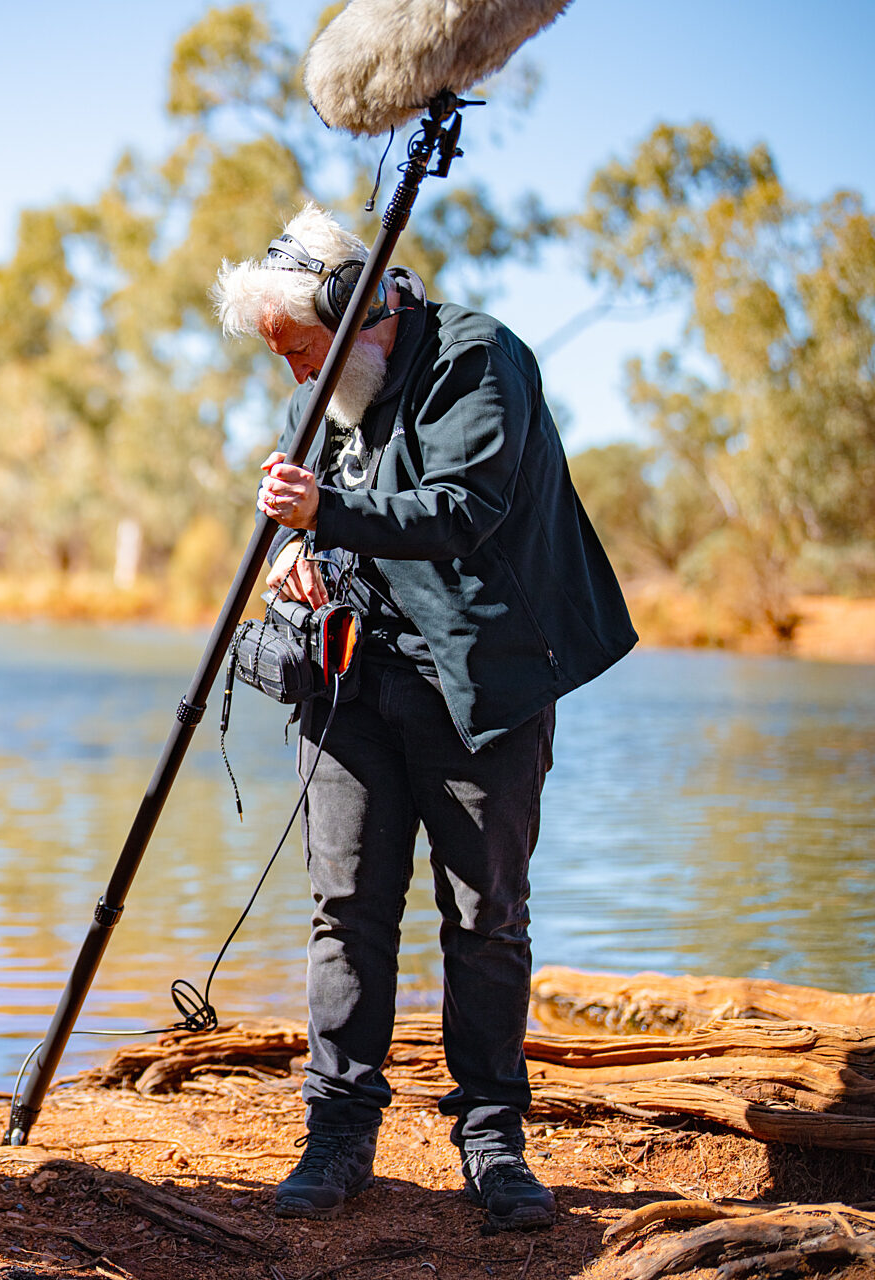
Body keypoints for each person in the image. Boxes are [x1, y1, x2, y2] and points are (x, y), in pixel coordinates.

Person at [212, 205, 636, 1230]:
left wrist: (326, 516)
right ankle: (339, 1130)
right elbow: (311, 513)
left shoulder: (479, 358)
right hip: (355, 682)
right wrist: (297, 559)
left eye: (301, 348)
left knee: (485, 916)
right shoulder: (322, 392)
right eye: (278, 358)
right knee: (346, 908)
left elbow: (463, 508)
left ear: (358, 312)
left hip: (479, 684)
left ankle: (492, 1137)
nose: (294, 377)